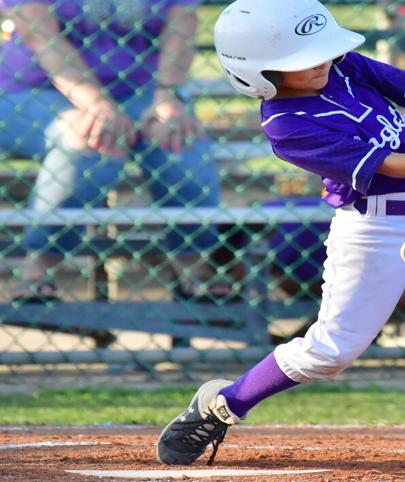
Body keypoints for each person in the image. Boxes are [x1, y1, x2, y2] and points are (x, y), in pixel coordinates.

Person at [155, 0, 405, 480]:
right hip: (372, 228)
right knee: (331, 350)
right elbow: (386, 165)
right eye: (303, 58)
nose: (323, 60)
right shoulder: (286, 127)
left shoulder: (342, 66)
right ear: (260, 73)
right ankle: (224, 403)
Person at [0, 0, 232, 317]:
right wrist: (97, 103)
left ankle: (193, 262)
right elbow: (42, 38)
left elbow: (181, 29)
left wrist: (167, 96)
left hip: (144, 89)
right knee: (93, 142)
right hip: (32, 88)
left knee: (179, 138)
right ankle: (39, 266)